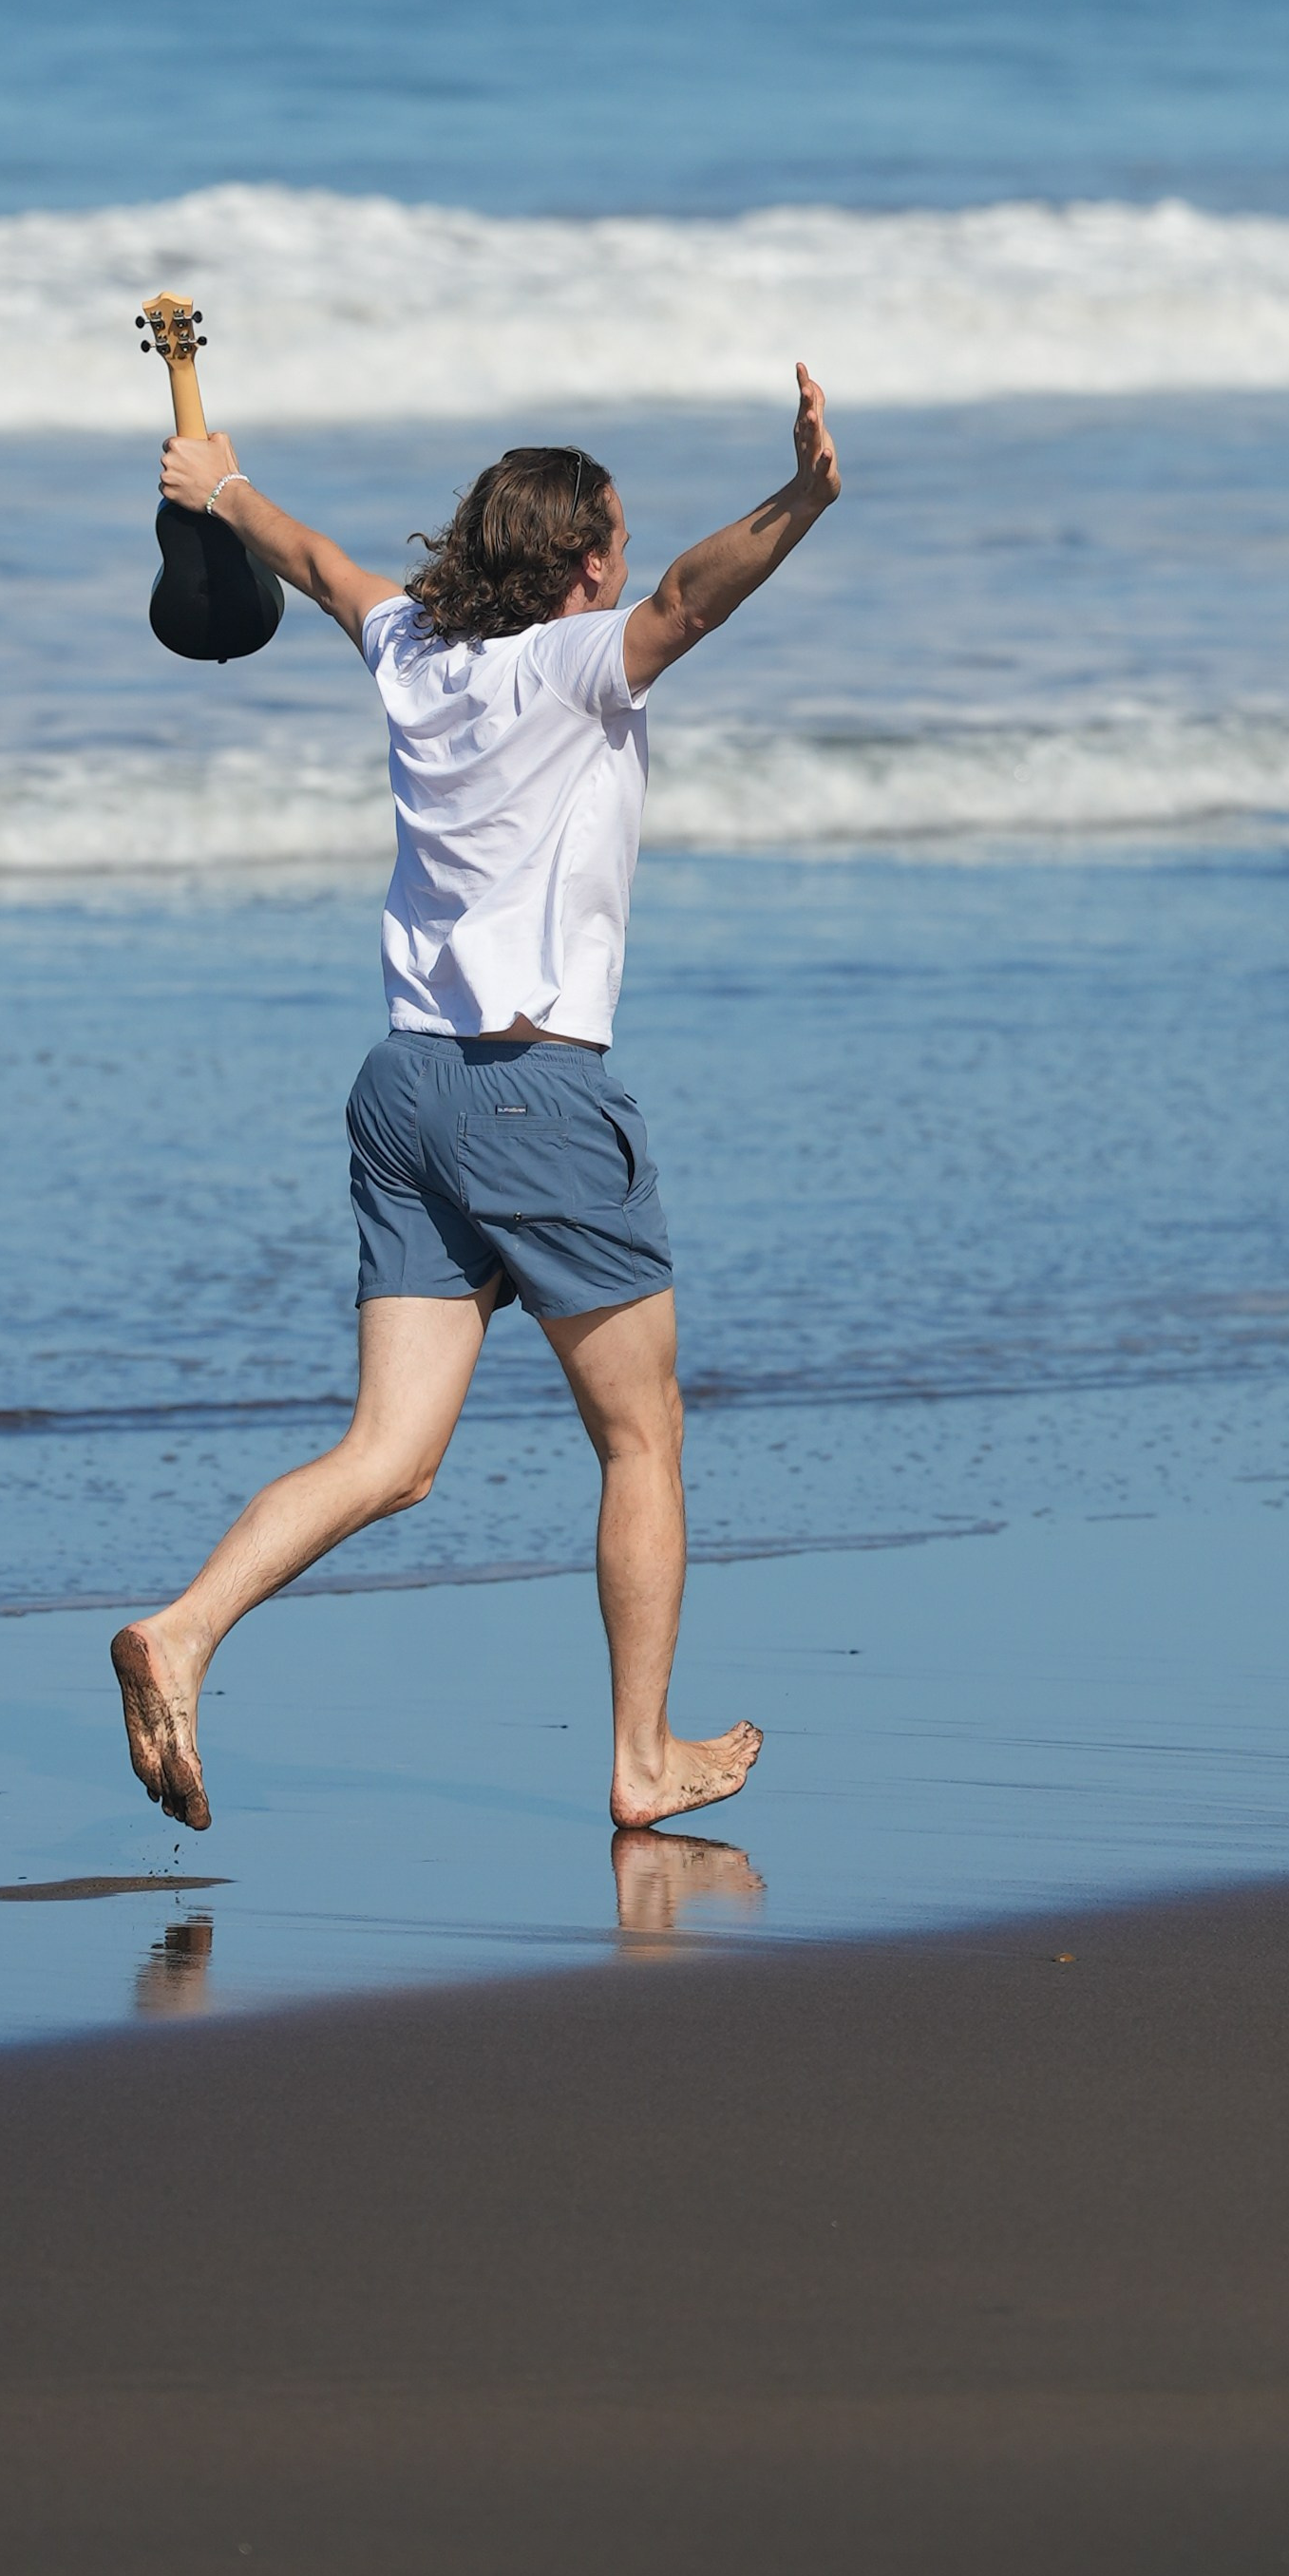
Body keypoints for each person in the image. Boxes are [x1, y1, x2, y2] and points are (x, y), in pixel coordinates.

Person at [110, 364, 842, 1833]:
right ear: (580, 566)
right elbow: (698, 594)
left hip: (404, 1090)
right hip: (532, 1090)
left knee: (391, 1453)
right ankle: (643, 1758)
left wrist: (221, 487)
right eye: (615, 542)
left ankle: (183, 1628)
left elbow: (318, 568)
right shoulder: (572, 662)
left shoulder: (415, 656)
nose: (629, 564)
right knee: (643, 1436)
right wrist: (807, 497)